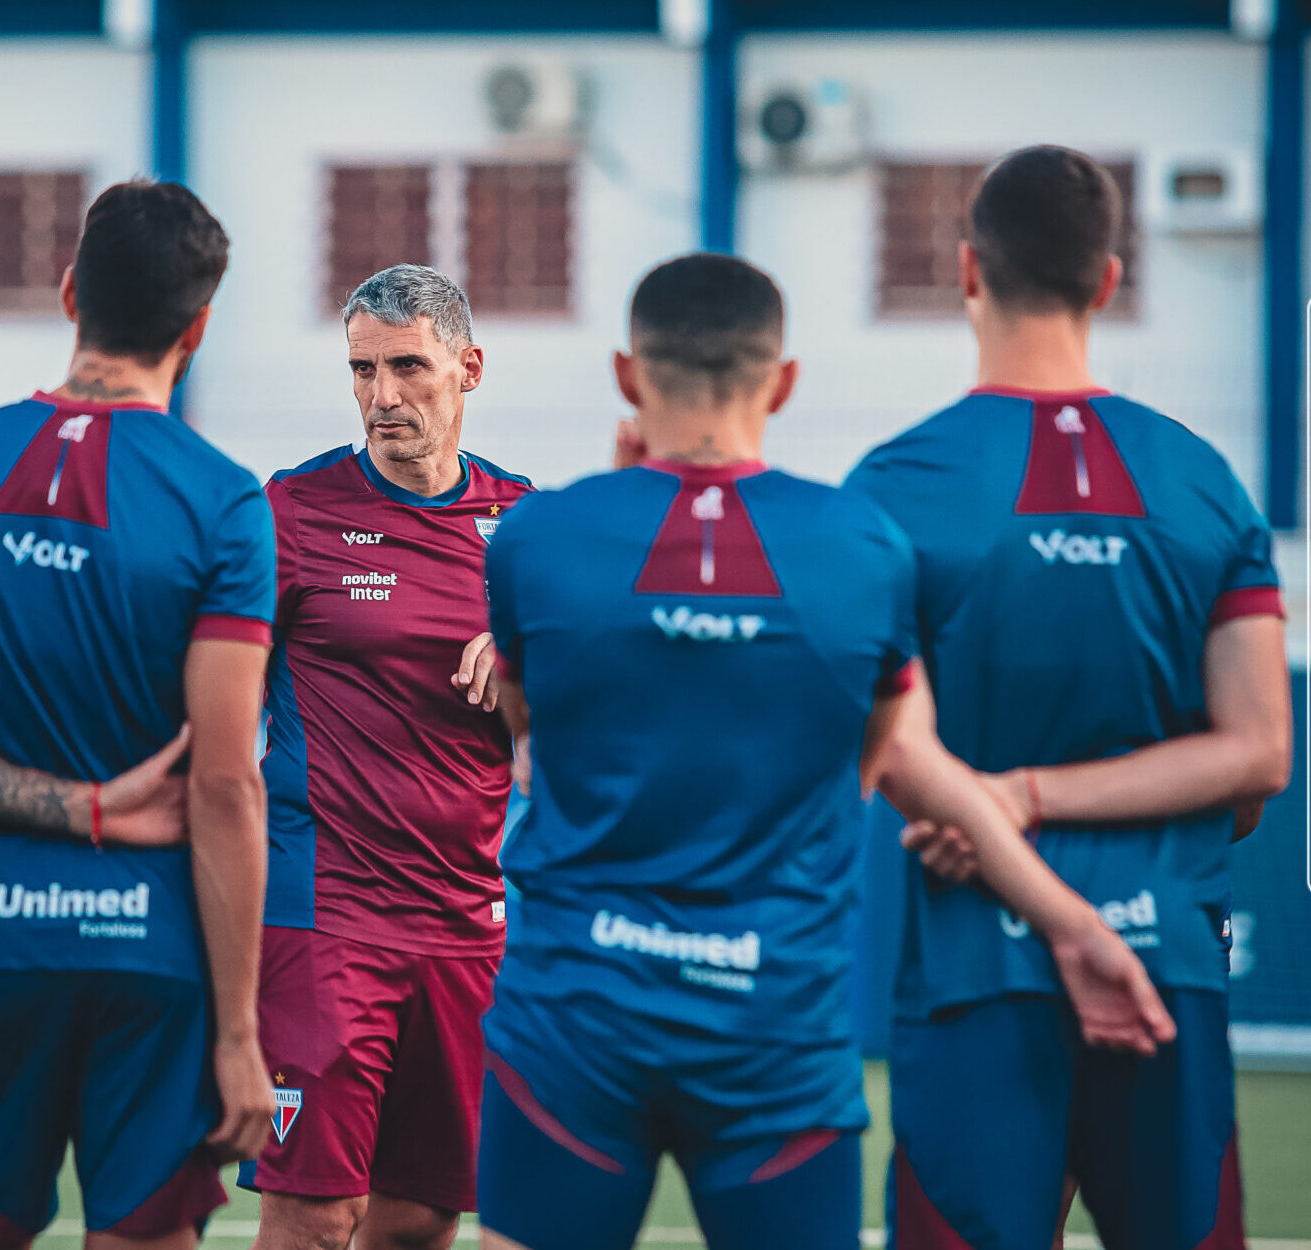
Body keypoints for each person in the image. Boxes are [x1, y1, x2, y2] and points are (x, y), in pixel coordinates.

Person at [474, 252, 1174, 1250]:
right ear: (786, 379)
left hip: (573, 1028)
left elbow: (532, 735)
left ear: (628, 375)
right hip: (775, 1031)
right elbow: (885, 763)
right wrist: (1072, 922)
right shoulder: (864, 544)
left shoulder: (535, 537)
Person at [843, 145, 1294, 1250]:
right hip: (1167, 971)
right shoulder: (1203, 481)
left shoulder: (896, 485)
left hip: (973, 973)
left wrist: (989, 804)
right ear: (1108, 278)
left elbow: (893, 754)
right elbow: (1257, 764)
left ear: (967, 271)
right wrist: (1055, 794)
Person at [0, 179, 274, 1249]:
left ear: (67, 293)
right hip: (156, 960)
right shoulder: (225, 499)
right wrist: (240, 1031)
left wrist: (78, 807)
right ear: (198, 326)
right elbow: (229, 783)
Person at [242, 263, 532, 1250]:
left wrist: (527, 654)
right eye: (362, 369)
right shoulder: (290, 511)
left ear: (470, 367)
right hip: (325, 919)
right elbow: (211, 698)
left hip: (466, 927)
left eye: (407, 366)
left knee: (416, 1221)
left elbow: (579, 726)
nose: (381, 396)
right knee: (318, 1217)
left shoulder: (527, 528)